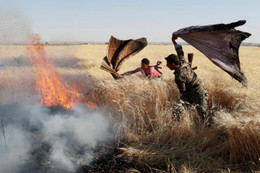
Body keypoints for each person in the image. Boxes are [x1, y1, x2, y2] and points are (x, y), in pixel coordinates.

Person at [165, 35, 208, 121]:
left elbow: (183, 92)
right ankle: (176, 125)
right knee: (177, 107)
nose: (166, 65)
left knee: (203, 117)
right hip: (201, 91)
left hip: (199, 95)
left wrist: (188, 103)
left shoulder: (179, 77)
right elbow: (179, 50)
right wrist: (174, 41)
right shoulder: (182, 62)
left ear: (173, 64)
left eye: (168, 64)